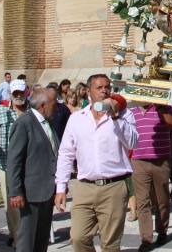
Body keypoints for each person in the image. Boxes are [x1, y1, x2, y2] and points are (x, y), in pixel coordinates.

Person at [55, 74, 138, 252]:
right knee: (78, 238)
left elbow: (133, 143)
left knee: (110, 244)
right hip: (85, 187)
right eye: (99, 87)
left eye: (107, 87)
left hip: (113, 187)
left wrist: (116, 118)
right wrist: (61, 186)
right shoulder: (77, 119)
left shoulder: (125, 115)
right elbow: (66, 153)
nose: (104, 91)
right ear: (88, 91)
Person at [7, 87, 60, 252]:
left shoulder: (47, 123)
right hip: (29, 194)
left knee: (41, 240)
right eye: (54, 103)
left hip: (46, 191)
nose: (57, 107)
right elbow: (14, 160)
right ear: (43, 105)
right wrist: (15, 191)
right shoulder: (24, 123)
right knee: (26, 242)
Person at [129, 103, 172, 251]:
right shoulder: (131, 112)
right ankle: (146, 239)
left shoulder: (164, 108)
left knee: (162, 200)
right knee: (142, 202)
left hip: (162, 160)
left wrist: (162, 111)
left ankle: (162, 230)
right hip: (139, 161)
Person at [0, 79, 29, 247]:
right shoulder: (0, 111)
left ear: (27, 93)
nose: (19, 96)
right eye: (15, 93)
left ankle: (24, 234)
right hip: (6, 163)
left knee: (27, 201)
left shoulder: (32, 113)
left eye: (21, 93)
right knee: (10, 202)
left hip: (27, 164)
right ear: (11, 95)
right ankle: (16, 236)